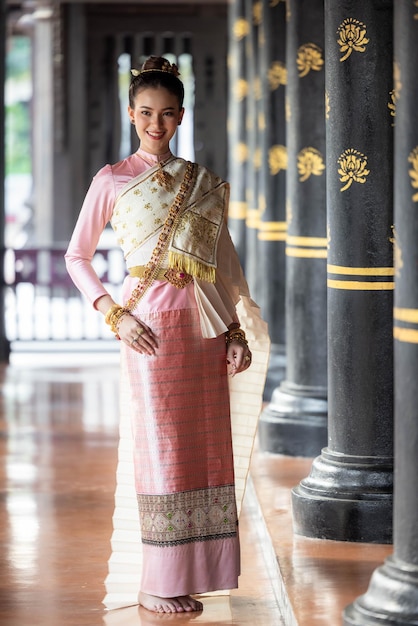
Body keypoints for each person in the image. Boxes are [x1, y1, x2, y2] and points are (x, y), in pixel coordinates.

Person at [65, 55, 269, 615]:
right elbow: (77, 257)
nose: (157, 124)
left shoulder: (201, 183)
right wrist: (115, 313)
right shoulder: (111, 180)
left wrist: (234, 330)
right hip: (149, 326)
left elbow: (223, 263)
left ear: (181, 116)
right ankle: (156, 579)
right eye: (147, 113)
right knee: (163, 447)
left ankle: (195, 571)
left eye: (168, 113)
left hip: (202, 326)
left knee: (204, 449)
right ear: (132, 114)